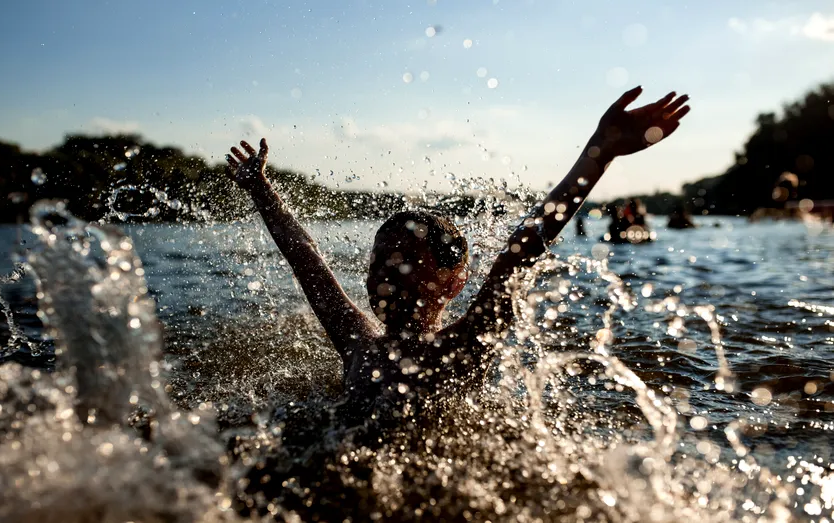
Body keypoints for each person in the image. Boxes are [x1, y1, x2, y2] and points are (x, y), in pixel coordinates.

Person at [224, 86, 690, 422]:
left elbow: (522, 251)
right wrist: (262, 190)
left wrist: (599, 154)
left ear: (454, 281)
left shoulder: (462, 347)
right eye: (379, 260)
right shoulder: (357, 342)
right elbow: (307, 261)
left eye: (405, 260)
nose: (386, 272)